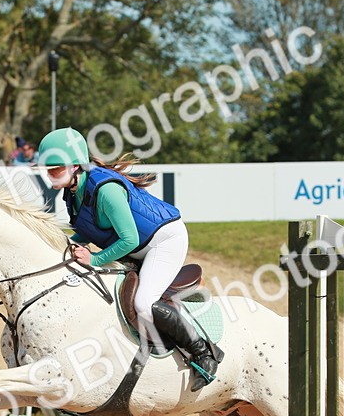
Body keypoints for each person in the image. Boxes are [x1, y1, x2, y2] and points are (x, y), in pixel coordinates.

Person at [36, 126, 221, 391]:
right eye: (47, 169)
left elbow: (129, 239)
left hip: (163, 240)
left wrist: (96, 260)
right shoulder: (72, 193)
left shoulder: (106, 189)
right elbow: (85, 231)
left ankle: (203, 352)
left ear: (76, 165)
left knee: (144, 303)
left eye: (54, 168)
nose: (49, 174)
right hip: (138, 245)